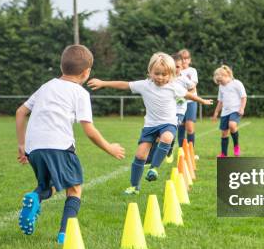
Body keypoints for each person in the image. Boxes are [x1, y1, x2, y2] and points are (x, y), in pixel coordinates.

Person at [16, 45, 125, 244]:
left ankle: (34, 196)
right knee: (74, 188)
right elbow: (89, 130)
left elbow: (20, 112)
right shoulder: (79, 93)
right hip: (59, 145)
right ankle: (65, 234)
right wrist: (109, 147)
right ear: (87, 72)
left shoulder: (46, 86)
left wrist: (22, 145)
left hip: (34, 148)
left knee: (50, 185)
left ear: (61, 66)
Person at [88, 52, 212, 195]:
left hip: (168, 123)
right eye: (157, 73)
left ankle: (154, 168)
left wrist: (202, 101)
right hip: (150, 126)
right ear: (150, 72)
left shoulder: (173, 87)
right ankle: (134, 187)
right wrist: (103, 83)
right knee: (140, 155)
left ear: (171, 74)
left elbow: (188, 94)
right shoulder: (144, 85)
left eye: (164, 74)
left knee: (167, 138)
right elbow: (124, 85)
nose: (160, 77)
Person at [212, 65, 247, 158]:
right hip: (225, 112)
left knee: (232, 125)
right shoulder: (221, 86)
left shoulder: (237, 83)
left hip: (236, 110)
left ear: (226, 75)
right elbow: (220, 101)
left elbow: (244, 97)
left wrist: (242, 108)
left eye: (221, 81)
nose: (220, 83)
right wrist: (216, 113)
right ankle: (224, 154)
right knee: (224, 133)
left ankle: (236, 146)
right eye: (218, 82)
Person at [177, 49, 199, 149]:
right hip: (179, 103)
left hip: (191, 102)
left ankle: (191, 152)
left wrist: (185, 95)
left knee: (189, 127)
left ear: (190, 60)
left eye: (186, 58)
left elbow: (193, 87)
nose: (184, 61)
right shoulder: (176, 71)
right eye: (182, 59)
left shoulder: (192, 70)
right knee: (180, 127)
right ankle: (181, 152)